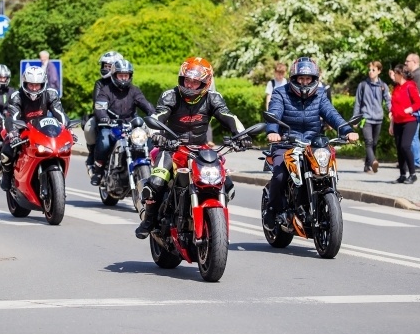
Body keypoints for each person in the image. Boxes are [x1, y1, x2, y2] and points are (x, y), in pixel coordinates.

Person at [134, 56, 250, 239]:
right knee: (156, 182)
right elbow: (158, 116)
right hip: (172, 148)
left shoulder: (213, 98)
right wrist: (155, 133)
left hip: (201, 149)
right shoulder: (170, 96)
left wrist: (241, 135)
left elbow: (227, 116)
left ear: (206, 83)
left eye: (195, 82)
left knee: (227, 185)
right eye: (187, 80)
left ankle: (212, 223)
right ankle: (148, 221)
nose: (189, 85)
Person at [263, 57, 359, 229]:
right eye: (301, 79)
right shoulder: (280, 93)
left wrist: (348, 131)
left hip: (313, 145)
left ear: (315, 80)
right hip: (286, 143)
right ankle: (272, 209)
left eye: (308, 79)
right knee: (279, 175)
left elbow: (331, 114)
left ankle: (325, 202)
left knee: (327, 169)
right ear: (294, 78)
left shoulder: (320, 95)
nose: (305, 83)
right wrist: (272, 132)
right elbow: (274, 113)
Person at [0, 65, 68, 191]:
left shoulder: (51, 94)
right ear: (25, 83)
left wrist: (67, 130)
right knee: (6, 151)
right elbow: (12, 117)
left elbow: (60, 114)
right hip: (21, 129)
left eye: (38, 85)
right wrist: (13, 133)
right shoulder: (16, 96)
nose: (34, 88)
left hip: (43, 130)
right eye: (31, 85)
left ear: (43, 83)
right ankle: (7, 174)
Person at [91, 59, 155, 185]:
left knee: (149, 141)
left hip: (130, 126)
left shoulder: (134, 90)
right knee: (104, 141)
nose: (124, 79)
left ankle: (151, 169)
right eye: (121, 76)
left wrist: (153, 114)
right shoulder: (105, 90)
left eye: (126, 76)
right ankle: (98, 171)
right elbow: (100, 107)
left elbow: (144, 103)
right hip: (110, 125)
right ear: (114, 75)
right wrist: (103, 117)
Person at [84, 51, 124, 177]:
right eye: (104, 66)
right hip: (104, 119)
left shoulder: (124, 83)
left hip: (122, 121)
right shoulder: (100, 83)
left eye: (109, 66)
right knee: (89, 127)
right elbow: (97, 103)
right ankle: (92, 157)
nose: (105, 69)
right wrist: (104, 116)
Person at [352, 61, 391, 174]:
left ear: (379, 71)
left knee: (374, 143)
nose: (370, 72)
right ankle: (373, 161)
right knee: (368, 141)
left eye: (373, 70)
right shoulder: (363, 85)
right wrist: (355, 119)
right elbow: (358, 103)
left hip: (378, 118)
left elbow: (388, 100)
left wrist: (391, 111)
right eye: (369, 69)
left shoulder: (383, 86)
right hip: (366, 118)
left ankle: (367, 166)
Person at [388, 63, 420, 184]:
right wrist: (391, 124)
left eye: (395, 73)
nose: (393, 75)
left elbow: (419, 103)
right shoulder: (396, 88)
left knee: (405, 146)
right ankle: (403, 174)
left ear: (400, 74)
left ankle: (413, 174)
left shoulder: (410, 86)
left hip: (409, 121)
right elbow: (393, 107)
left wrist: (410, 109)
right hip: (397, 121)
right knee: (399, 148)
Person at [404, 53, 420, 169]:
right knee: (411, 136)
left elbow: (417, 94)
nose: (405, 63)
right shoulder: (414, 75)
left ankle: (416, 162)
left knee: (413, 136)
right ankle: (411, 160)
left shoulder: (419, 76)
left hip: (415, 110)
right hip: (410, 109)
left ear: (415, 62)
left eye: (407, 61)